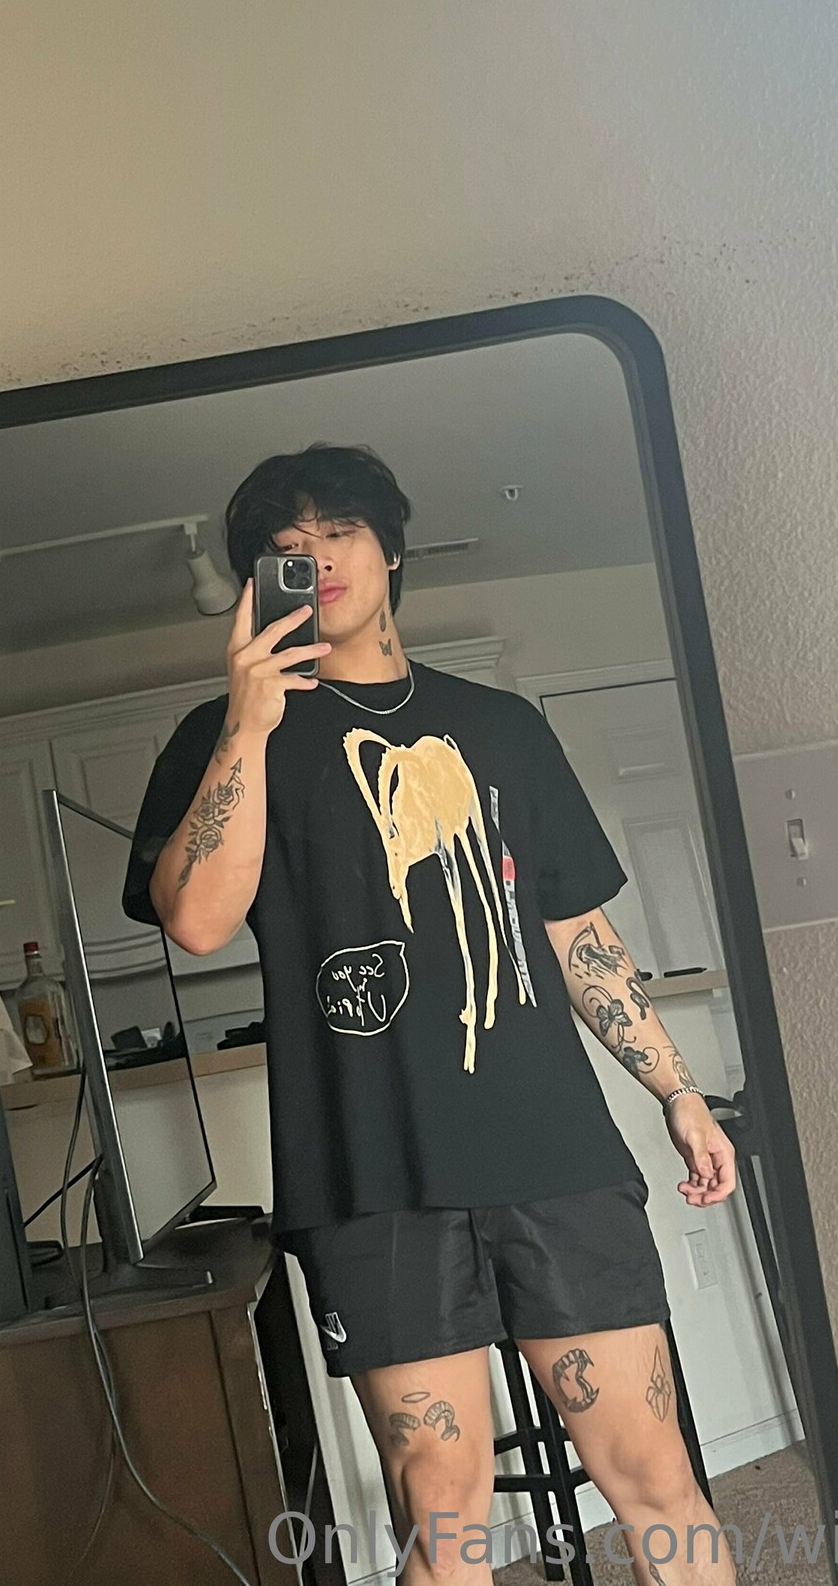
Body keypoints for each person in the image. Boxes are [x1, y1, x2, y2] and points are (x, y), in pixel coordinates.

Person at [122, 442, 738, 1585]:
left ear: (391, 551)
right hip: (370, 1178)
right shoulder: (220, 739)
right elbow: (197, 920)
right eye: (286, 548)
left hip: (554, 1156)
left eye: (339, 532)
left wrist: (679, 1090)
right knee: (442, 1518)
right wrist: (248, 725)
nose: (317, 558)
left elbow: (578, 936)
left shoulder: (503, 727)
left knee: (655, 1476)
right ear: (259, 582)